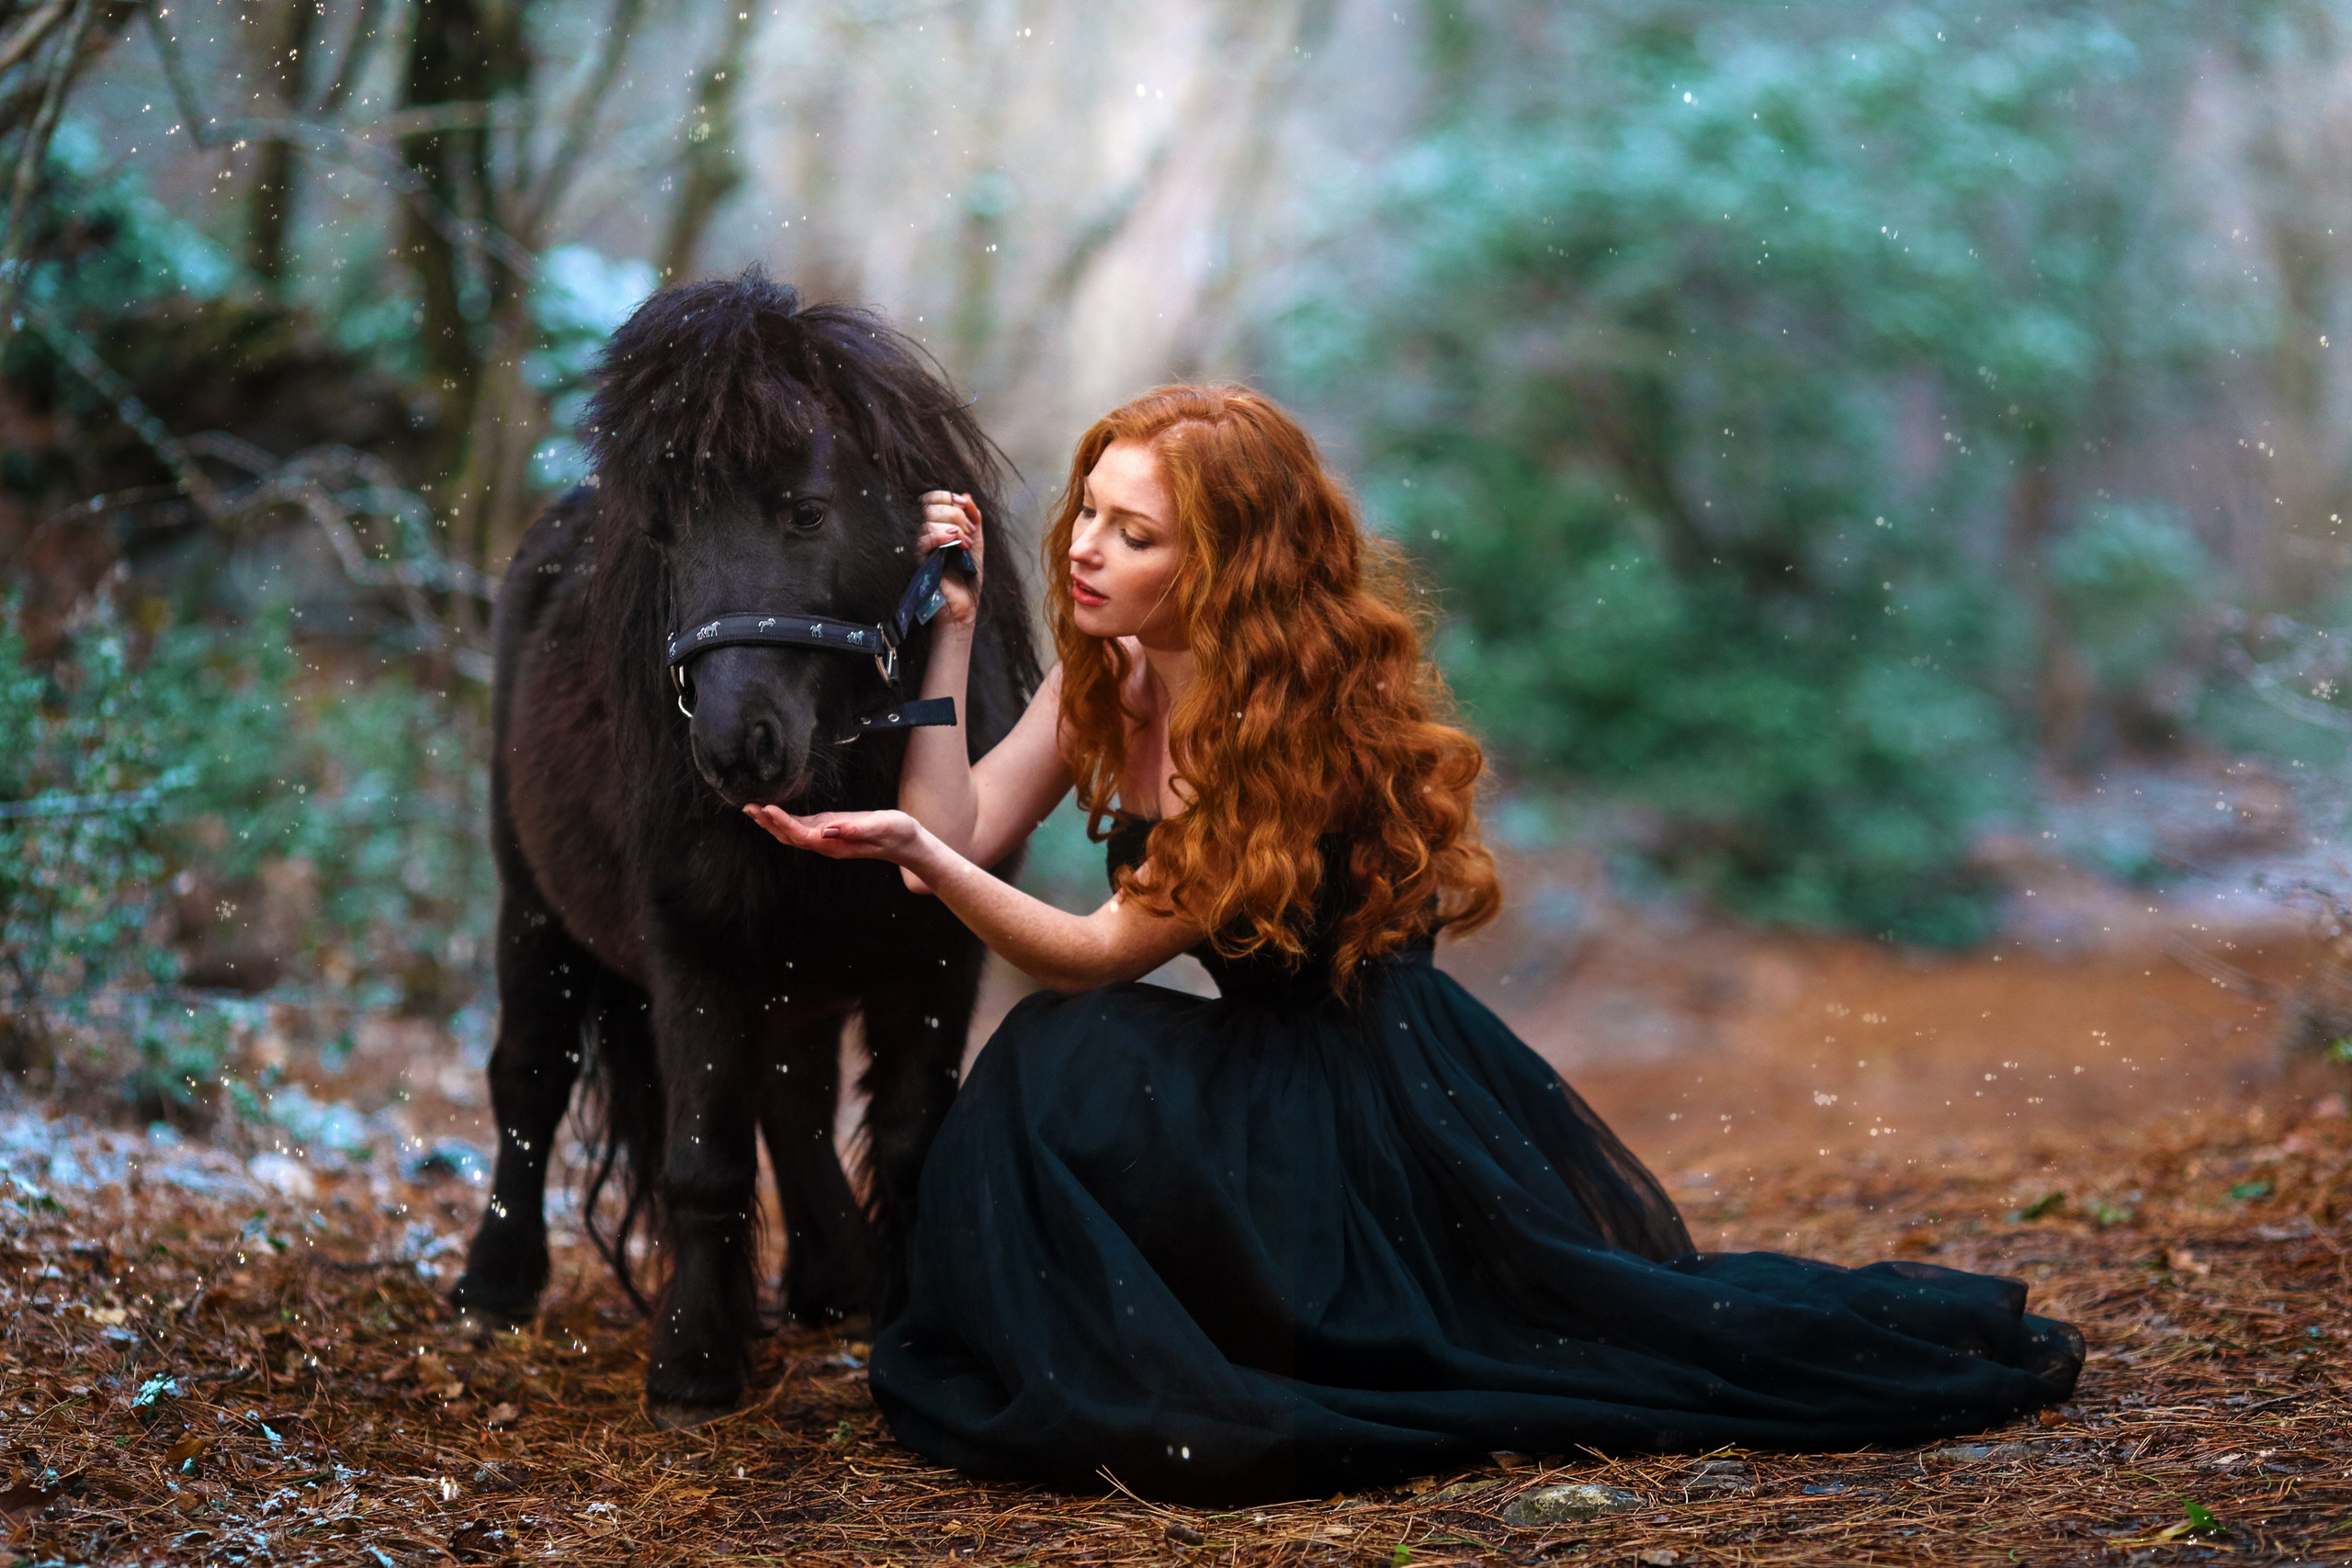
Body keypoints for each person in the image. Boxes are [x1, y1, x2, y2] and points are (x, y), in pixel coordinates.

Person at [745, 384, 2083, 1505]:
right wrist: (953, 640)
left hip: (1359, 1091)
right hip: (1252, 1069)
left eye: (1134, 534)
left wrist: (916, 859)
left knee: (1066, 1050)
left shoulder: (1265, 731)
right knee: (1063, 1065)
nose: (1087, 549)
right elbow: (966, 824)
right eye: (1088, 510)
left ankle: (1217, 1330)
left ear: (1222, 565)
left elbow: (1090, 951)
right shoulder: (1121, 671)